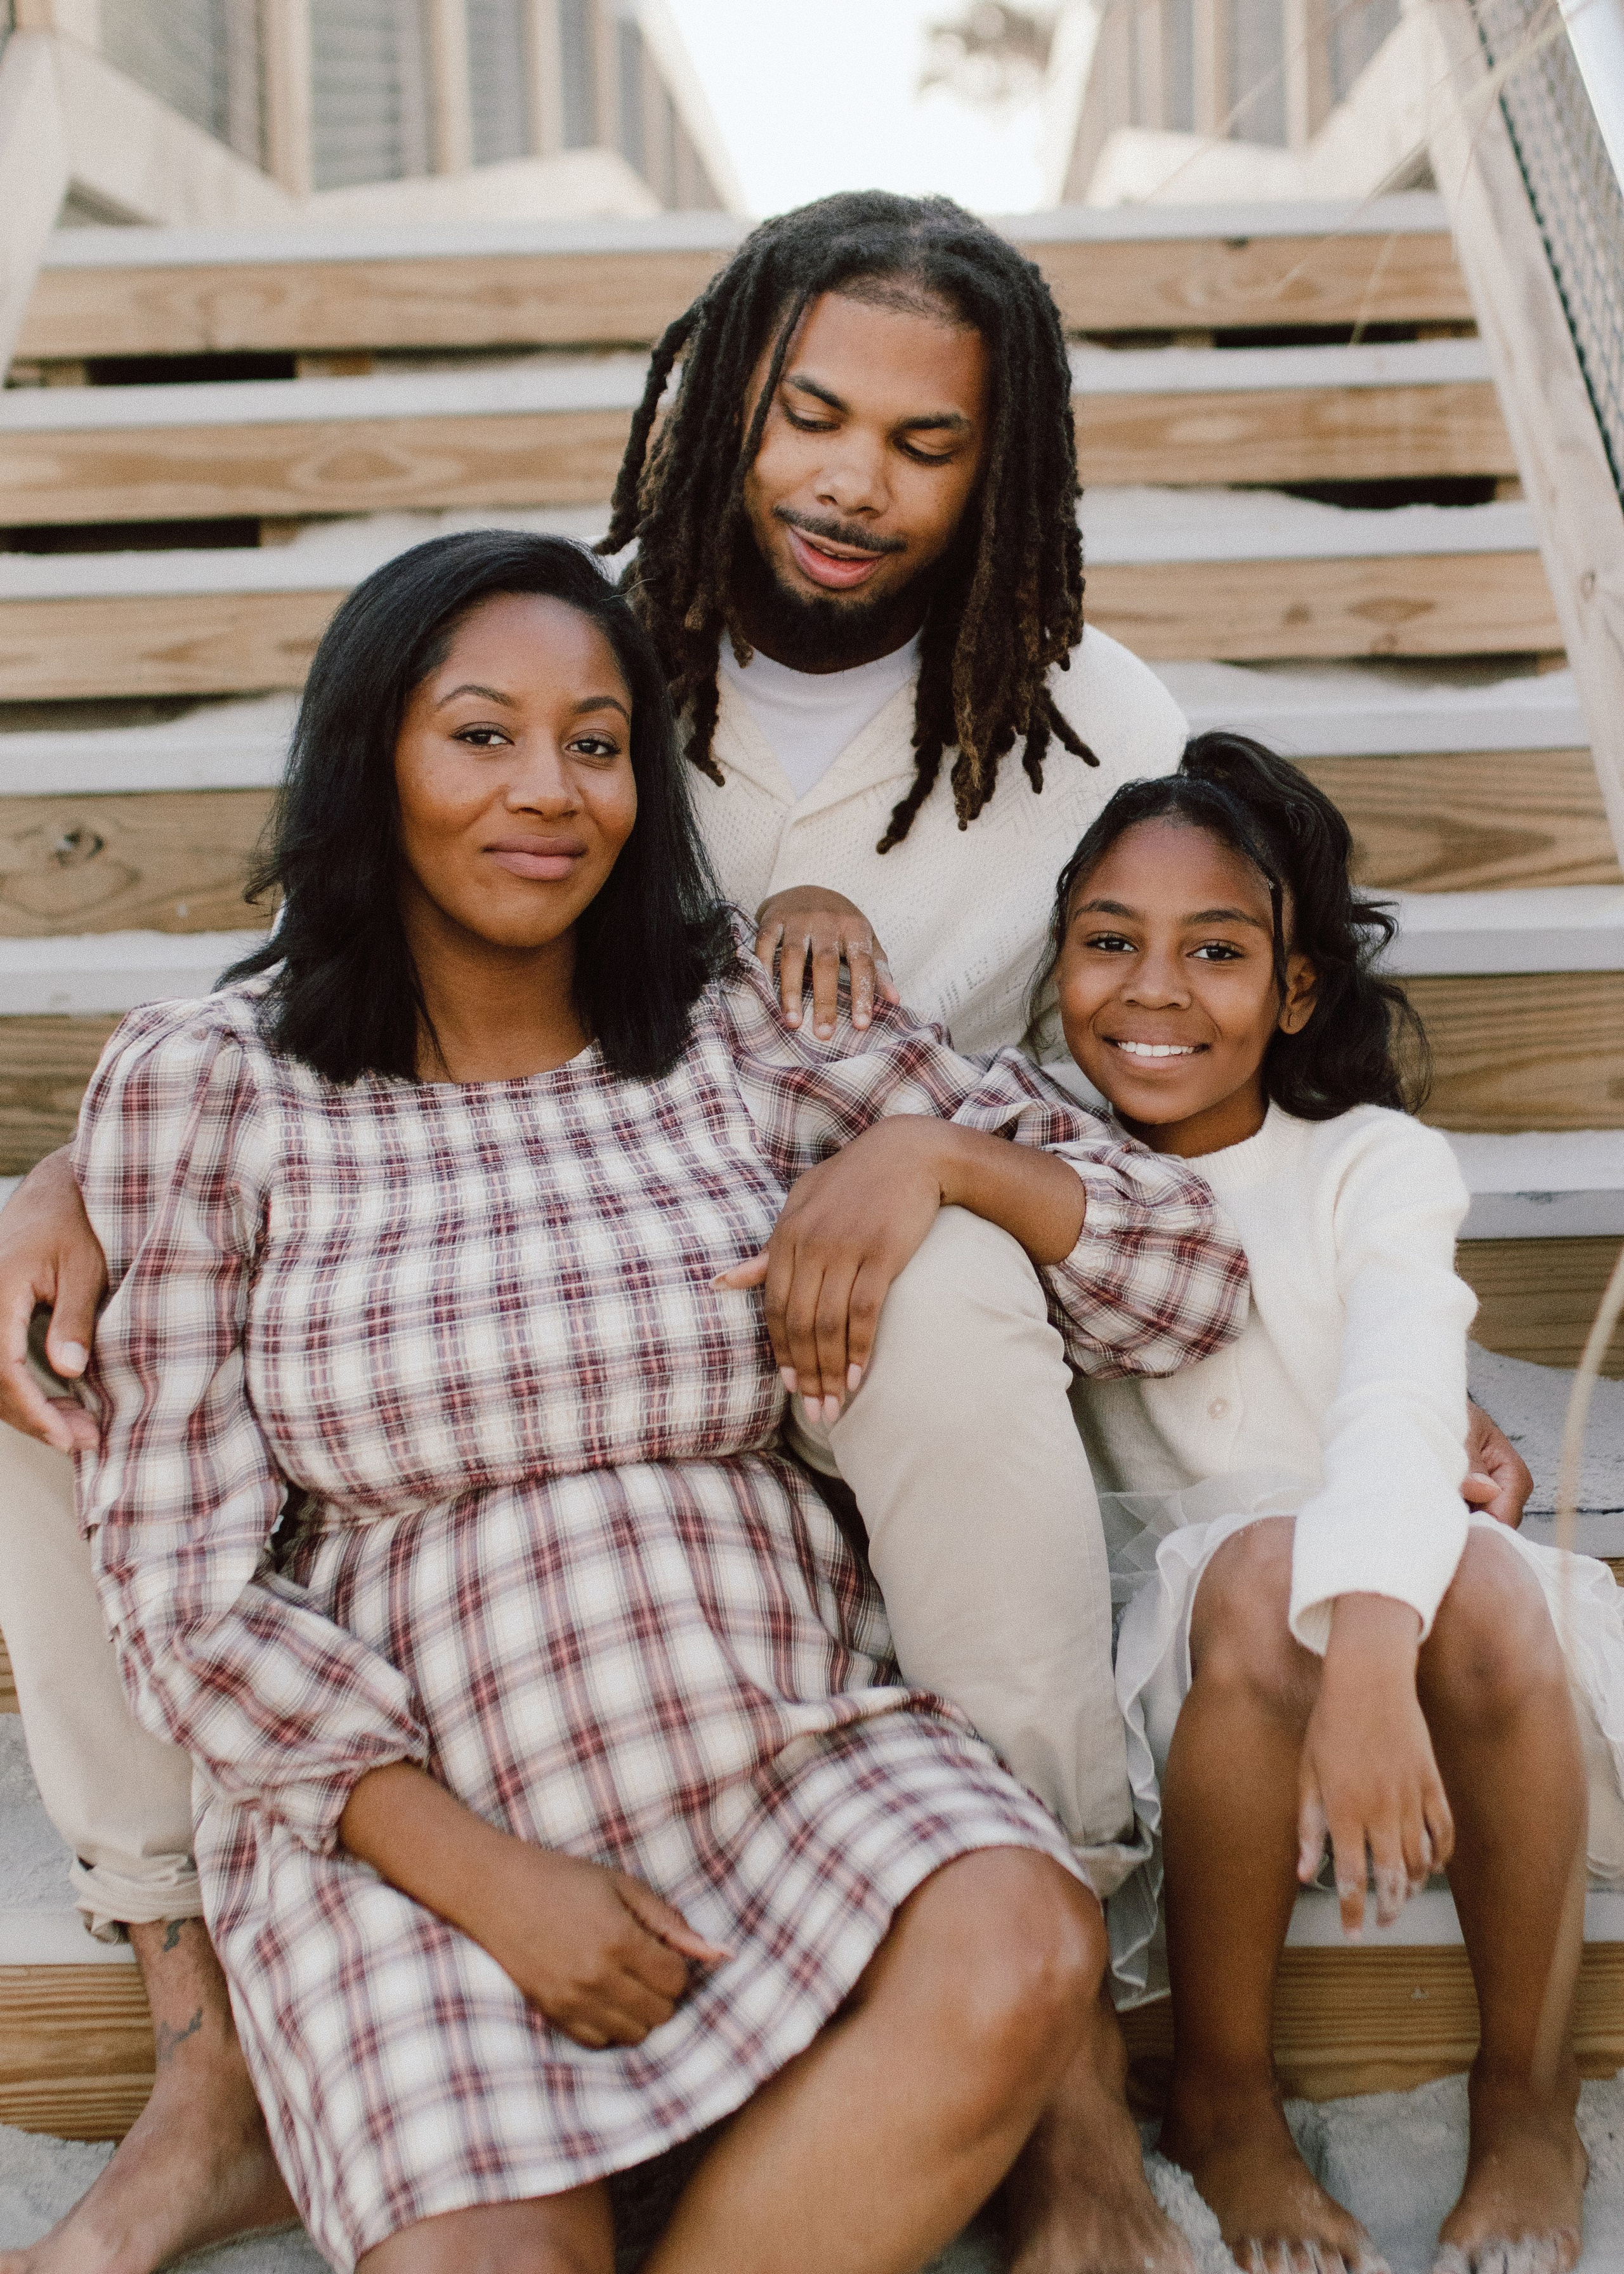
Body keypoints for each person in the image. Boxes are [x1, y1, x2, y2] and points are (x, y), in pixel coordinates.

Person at [0, 188, 1527, 2274]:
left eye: (926, 438)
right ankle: (214, 2057)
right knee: (47, 1331)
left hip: (827, 1411)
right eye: (812, 415)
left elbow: (1186, 1146)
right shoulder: (566, 659)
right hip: (444, 1654)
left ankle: (1077, 2090)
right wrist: (88, 1171)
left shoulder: (1004, 806)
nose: (854, 480)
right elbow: (327, 1003)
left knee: (960, 1310)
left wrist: (995, 1185)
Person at [66, 529, 1251, 2274]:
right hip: (408, 1806)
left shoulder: (743, 1025)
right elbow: (177, 1592)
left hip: (763, 1732)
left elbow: (1186, 1275)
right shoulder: (211, 1088)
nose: (548, 791)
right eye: (481, 736)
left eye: (598, 744)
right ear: (370, 758)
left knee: (1018, 1945)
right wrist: (484, 1878)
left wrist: (936, 1156)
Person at [1045, 733, 1621, 2274]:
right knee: (1255, 1568)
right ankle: (1222, 2093)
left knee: (1477, 1571)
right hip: (1196, 1669)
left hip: (1416, 1636)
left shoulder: (1373, 1162)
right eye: (1107, 941)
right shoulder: (1047, 1163)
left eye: (1214, 950)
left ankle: (1524, 2092)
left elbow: (1393, 1394)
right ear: (1055, 966)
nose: (1152, 989)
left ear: (1294, 990)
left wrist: (1368, 1650)